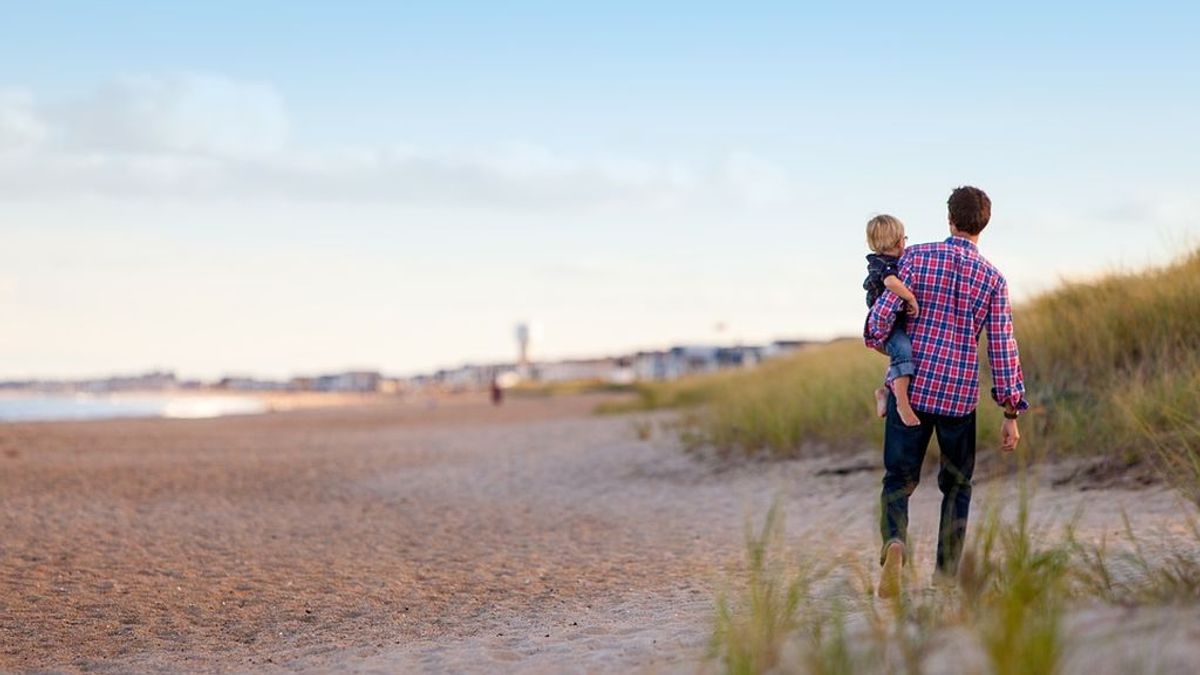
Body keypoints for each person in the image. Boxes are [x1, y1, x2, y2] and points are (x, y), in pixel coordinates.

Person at [864, 186, 1028, 598]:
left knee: (898, 481)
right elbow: (1003, 346)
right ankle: (947, 575)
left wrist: (881, 338)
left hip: (914, 390)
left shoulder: (916, 257)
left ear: (949, 219)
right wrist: (1010, 412)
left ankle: (895, 543)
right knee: (957, 486)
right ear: (983, 224)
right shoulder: (993, 278)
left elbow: (880, 317)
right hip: (958, 397)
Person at [863, 215, 921, 427]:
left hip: (893, 322)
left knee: (901, 355)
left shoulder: (887, 261)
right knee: (903, 350)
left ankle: (885, 393)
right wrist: (910, 297)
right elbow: (891, 283)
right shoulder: (885, 265)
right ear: (899, 242)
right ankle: (902, 404)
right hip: (887, 326)